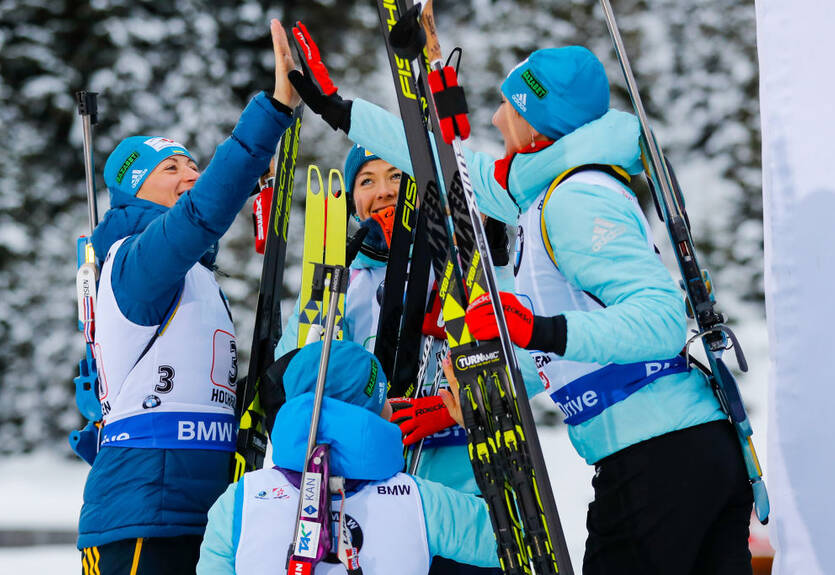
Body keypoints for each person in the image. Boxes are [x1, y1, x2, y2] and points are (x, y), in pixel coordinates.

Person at [288, 26, 754, 575]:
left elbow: (658, 321)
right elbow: (448, 169)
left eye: (508, 106)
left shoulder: (575, 198)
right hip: (667, 450)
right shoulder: (546, 191)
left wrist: (540, 329)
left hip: (659, 459)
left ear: (536, 121)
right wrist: (342, 111)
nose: (494, 119)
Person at [77, 20, 300, 575]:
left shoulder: (197, 275)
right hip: (142, 520)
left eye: (191, 164)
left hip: (208, 515)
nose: (189, 172)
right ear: (134, 188)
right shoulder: (134, 260)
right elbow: (199, 215)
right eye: (169, 167)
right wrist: (271, 113)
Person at [273, 144, 522, 575]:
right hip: (369, 501)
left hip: (467, 487)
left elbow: (528, 360)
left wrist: (446, 409)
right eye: (367, 181)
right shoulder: (341, 281)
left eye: (395, 177)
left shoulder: (461, 264)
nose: (384, 191)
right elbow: (294, 377)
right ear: (353, 200)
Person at [196, 339, 501, 574]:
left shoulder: (238, 503)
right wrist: (481, 431)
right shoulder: (421, 502)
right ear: (364, 414)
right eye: (383, 399)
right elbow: (526, 536)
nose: (393, 408)